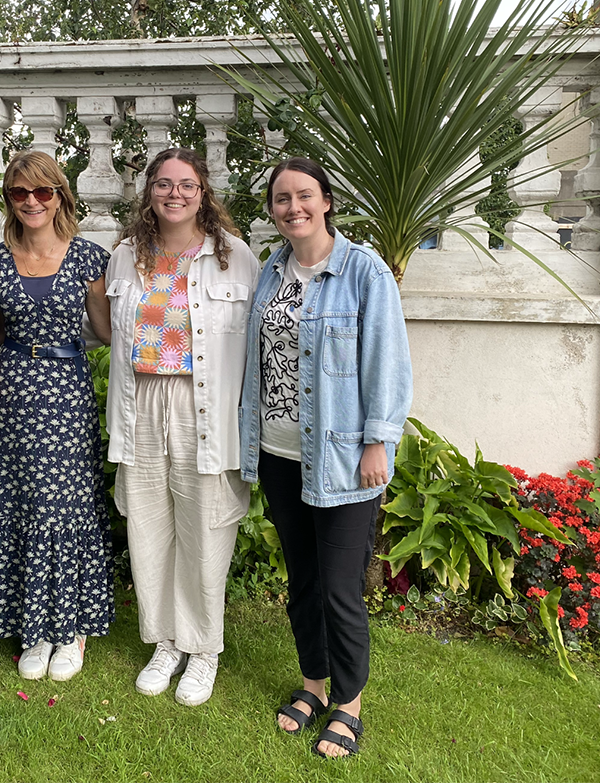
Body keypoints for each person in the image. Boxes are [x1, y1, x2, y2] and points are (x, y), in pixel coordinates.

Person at [239, 157, 413, 758]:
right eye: (282, 199)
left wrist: (377, 441)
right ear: (272, 210)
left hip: (342, 458)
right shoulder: (272, 273)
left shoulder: (365, 272)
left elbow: (387, 363)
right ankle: (312, 684)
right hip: (282, 452)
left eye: (304, 196)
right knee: (304, 584)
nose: (294, 208)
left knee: (340, 588)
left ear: (327, 201)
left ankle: (349, 703)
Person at [105, 147, 259, 706]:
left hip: (206, 409)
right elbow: (110, 332)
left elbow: (256, 348)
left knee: (206, 527)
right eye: (164, 184)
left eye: (186, 185)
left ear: (203, 191)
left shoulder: (234, 257)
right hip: (141, 402)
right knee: (148, 528)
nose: (174, 194)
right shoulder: (125, 257)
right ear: (149, 192)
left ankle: (203, 651)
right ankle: (165, 642)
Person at [0, 150, 114, 682]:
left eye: (43, 192)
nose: (32, 202)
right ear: (9, 200)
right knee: (19, 500)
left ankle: (71, 629)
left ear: (60, 195)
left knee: (64, 503)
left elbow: (105, 332)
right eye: (19, 193)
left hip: (65, 392)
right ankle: (31, 628)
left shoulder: (87, 258)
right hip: (12, 391)